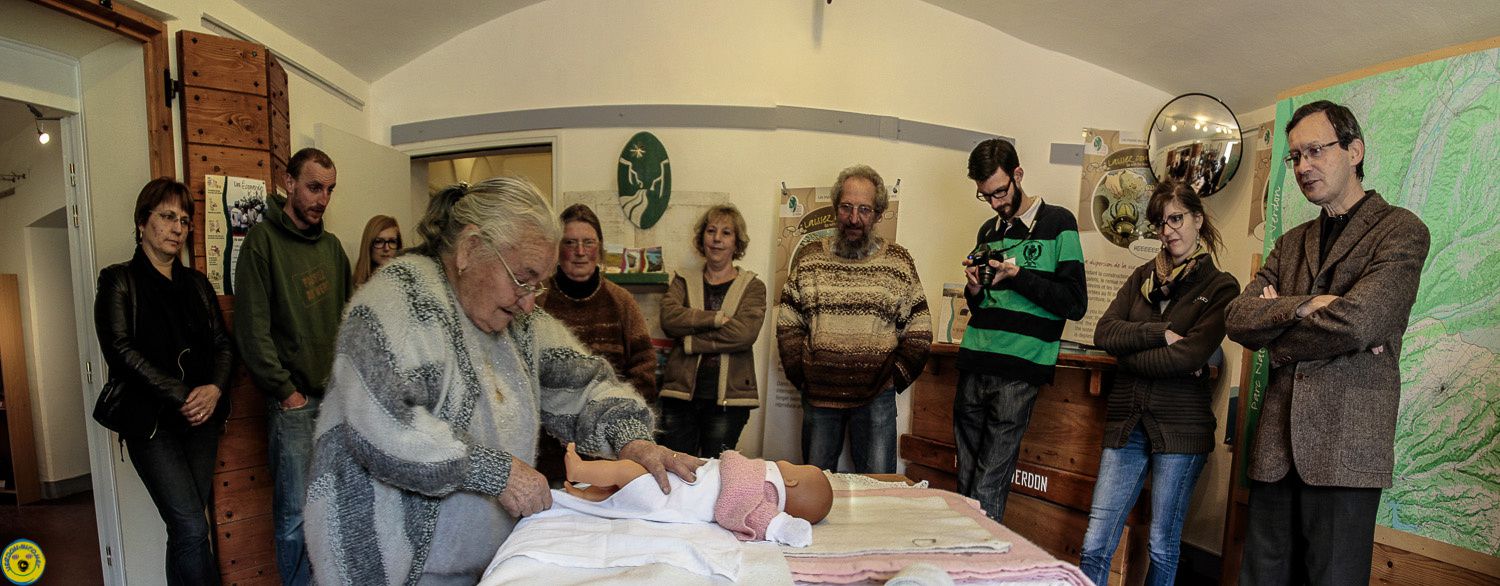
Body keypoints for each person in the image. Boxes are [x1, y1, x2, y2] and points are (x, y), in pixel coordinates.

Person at [303, 178, 703, 584]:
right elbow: (384, 428)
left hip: (476, 565)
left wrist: (631, 439)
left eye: (538, 284)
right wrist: (498, 472)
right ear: (470, 248)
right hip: (386, 566)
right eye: (522, 278)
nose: (530, 301)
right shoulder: (398, 300)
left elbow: (584, 384)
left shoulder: (519, 322)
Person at [1226, 100, 1429, 585]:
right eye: (1295, 156)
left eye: (1315, 150)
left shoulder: (1401, 231)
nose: (1303, 166)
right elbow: (1236, 317)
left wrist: (1276, 334)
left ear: (1354, 150)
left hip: (1346, 450)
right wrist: (1303, 305)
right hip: (1276, 450)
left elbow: (1359, 322)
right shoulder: (1290, 243)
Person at [1079, 181, 1239, 586]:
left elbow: (1190, 355)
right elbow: (1104, 333)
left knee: (1162, 547)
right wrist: (1161, 334)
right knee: (1095, 542)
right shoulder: (1141, 277)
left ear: (1197, 220)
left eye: (1176, 218)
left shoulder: (1221, 287)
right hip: (1127, 424)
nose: (1168, 231)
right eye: (1160, 223)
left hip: (1181, 430)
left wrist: (1132, 354)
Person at [94, 178, 234, 585]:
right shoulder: (118, 280)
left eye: (185, 220)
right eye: (167, 217)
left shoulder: (196, 284)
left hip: (201, 421)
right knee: (191, 525)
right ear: (142, 223)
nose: (178, 228)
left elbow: (224, 344)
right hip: (152, 424)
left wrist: (215, 389)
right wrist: (183, 395)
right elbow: (119, 351)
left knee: (189, 526)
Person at [233, 147, 352, 586]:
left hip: (335, 403)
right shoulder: (262, 243)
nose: (322, 198)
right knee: (294, 517)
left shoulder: (333, 248)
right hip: (295, 405)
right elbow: (251, 331)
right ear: (289, 182)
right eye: (314, 186)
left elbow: (348, 323)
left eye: (329, 190)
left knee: (335, 509)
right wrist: (286, 391)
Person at [955, 138, 1087, 523]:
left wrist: (1016, 275)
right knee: (964, 483)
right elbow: (982, 305)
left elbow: (1074, 303)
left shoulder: (1059, 223)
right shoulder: (987, 230)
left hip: (1020, 370)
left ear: (1018, 175)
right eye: (986, 196)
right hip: (974, 360)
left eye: (1000, 192)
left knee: (987, 485)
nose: (996, 203)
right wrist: (975, 289)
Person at [777, 164, 932, 473]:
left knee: (878, 490)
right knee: (814, 486)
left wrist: (892, 379)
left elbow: (920, 328)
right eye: (846, 207)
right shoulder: (810, 258)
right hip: (819, 396)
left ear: (877, 214)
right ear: (836, 209)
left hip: (877, 398)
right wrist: (804, 376)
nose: (854, 218)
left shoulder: (898, 261)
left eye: (864, 209)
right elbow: (788, 323)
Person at [534, 203, 656, 482]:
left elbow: (644, 367)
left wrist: (616, 420)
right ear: (556, 249)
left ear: (599, 249)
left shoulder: (622, 301)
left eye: (588, 242)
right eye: (570, 242)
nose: (579, 251)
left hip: (611, 451)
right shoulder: (538, 301)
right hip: (550, 451)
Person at [560, 442, 832, 547]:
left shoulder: (758, 490)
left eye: (796, 466)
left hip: (667, 494)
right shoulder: (757, 492)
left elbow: (766, 521)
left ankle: (579, 470)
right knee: (619, 489)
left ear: (792, 480)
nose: (787, 461)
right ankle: (584, 496)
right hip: (673, 488)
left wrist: (787, 528)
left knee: (625, 472)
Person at [658, 204, 767, 457]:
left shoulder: (753, 286)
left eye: (726, 233)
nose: (717, 239)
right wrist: (717, 318)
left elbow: (743, 334)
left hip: (729, 402)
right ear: (702, 238)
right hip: (679, 396)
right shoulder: (682, 280)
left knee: (717, 474)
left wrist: (691, 342)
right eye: (711, 231)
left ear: (736, 242)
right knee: (676, 470)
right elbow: (669, 319)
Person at [354, 214, 402, 286]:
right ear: (369, 245)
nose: (386, 248)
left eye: (392, 241)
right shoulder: (354, 284)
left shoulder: (404, 281)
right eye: (379, 241)